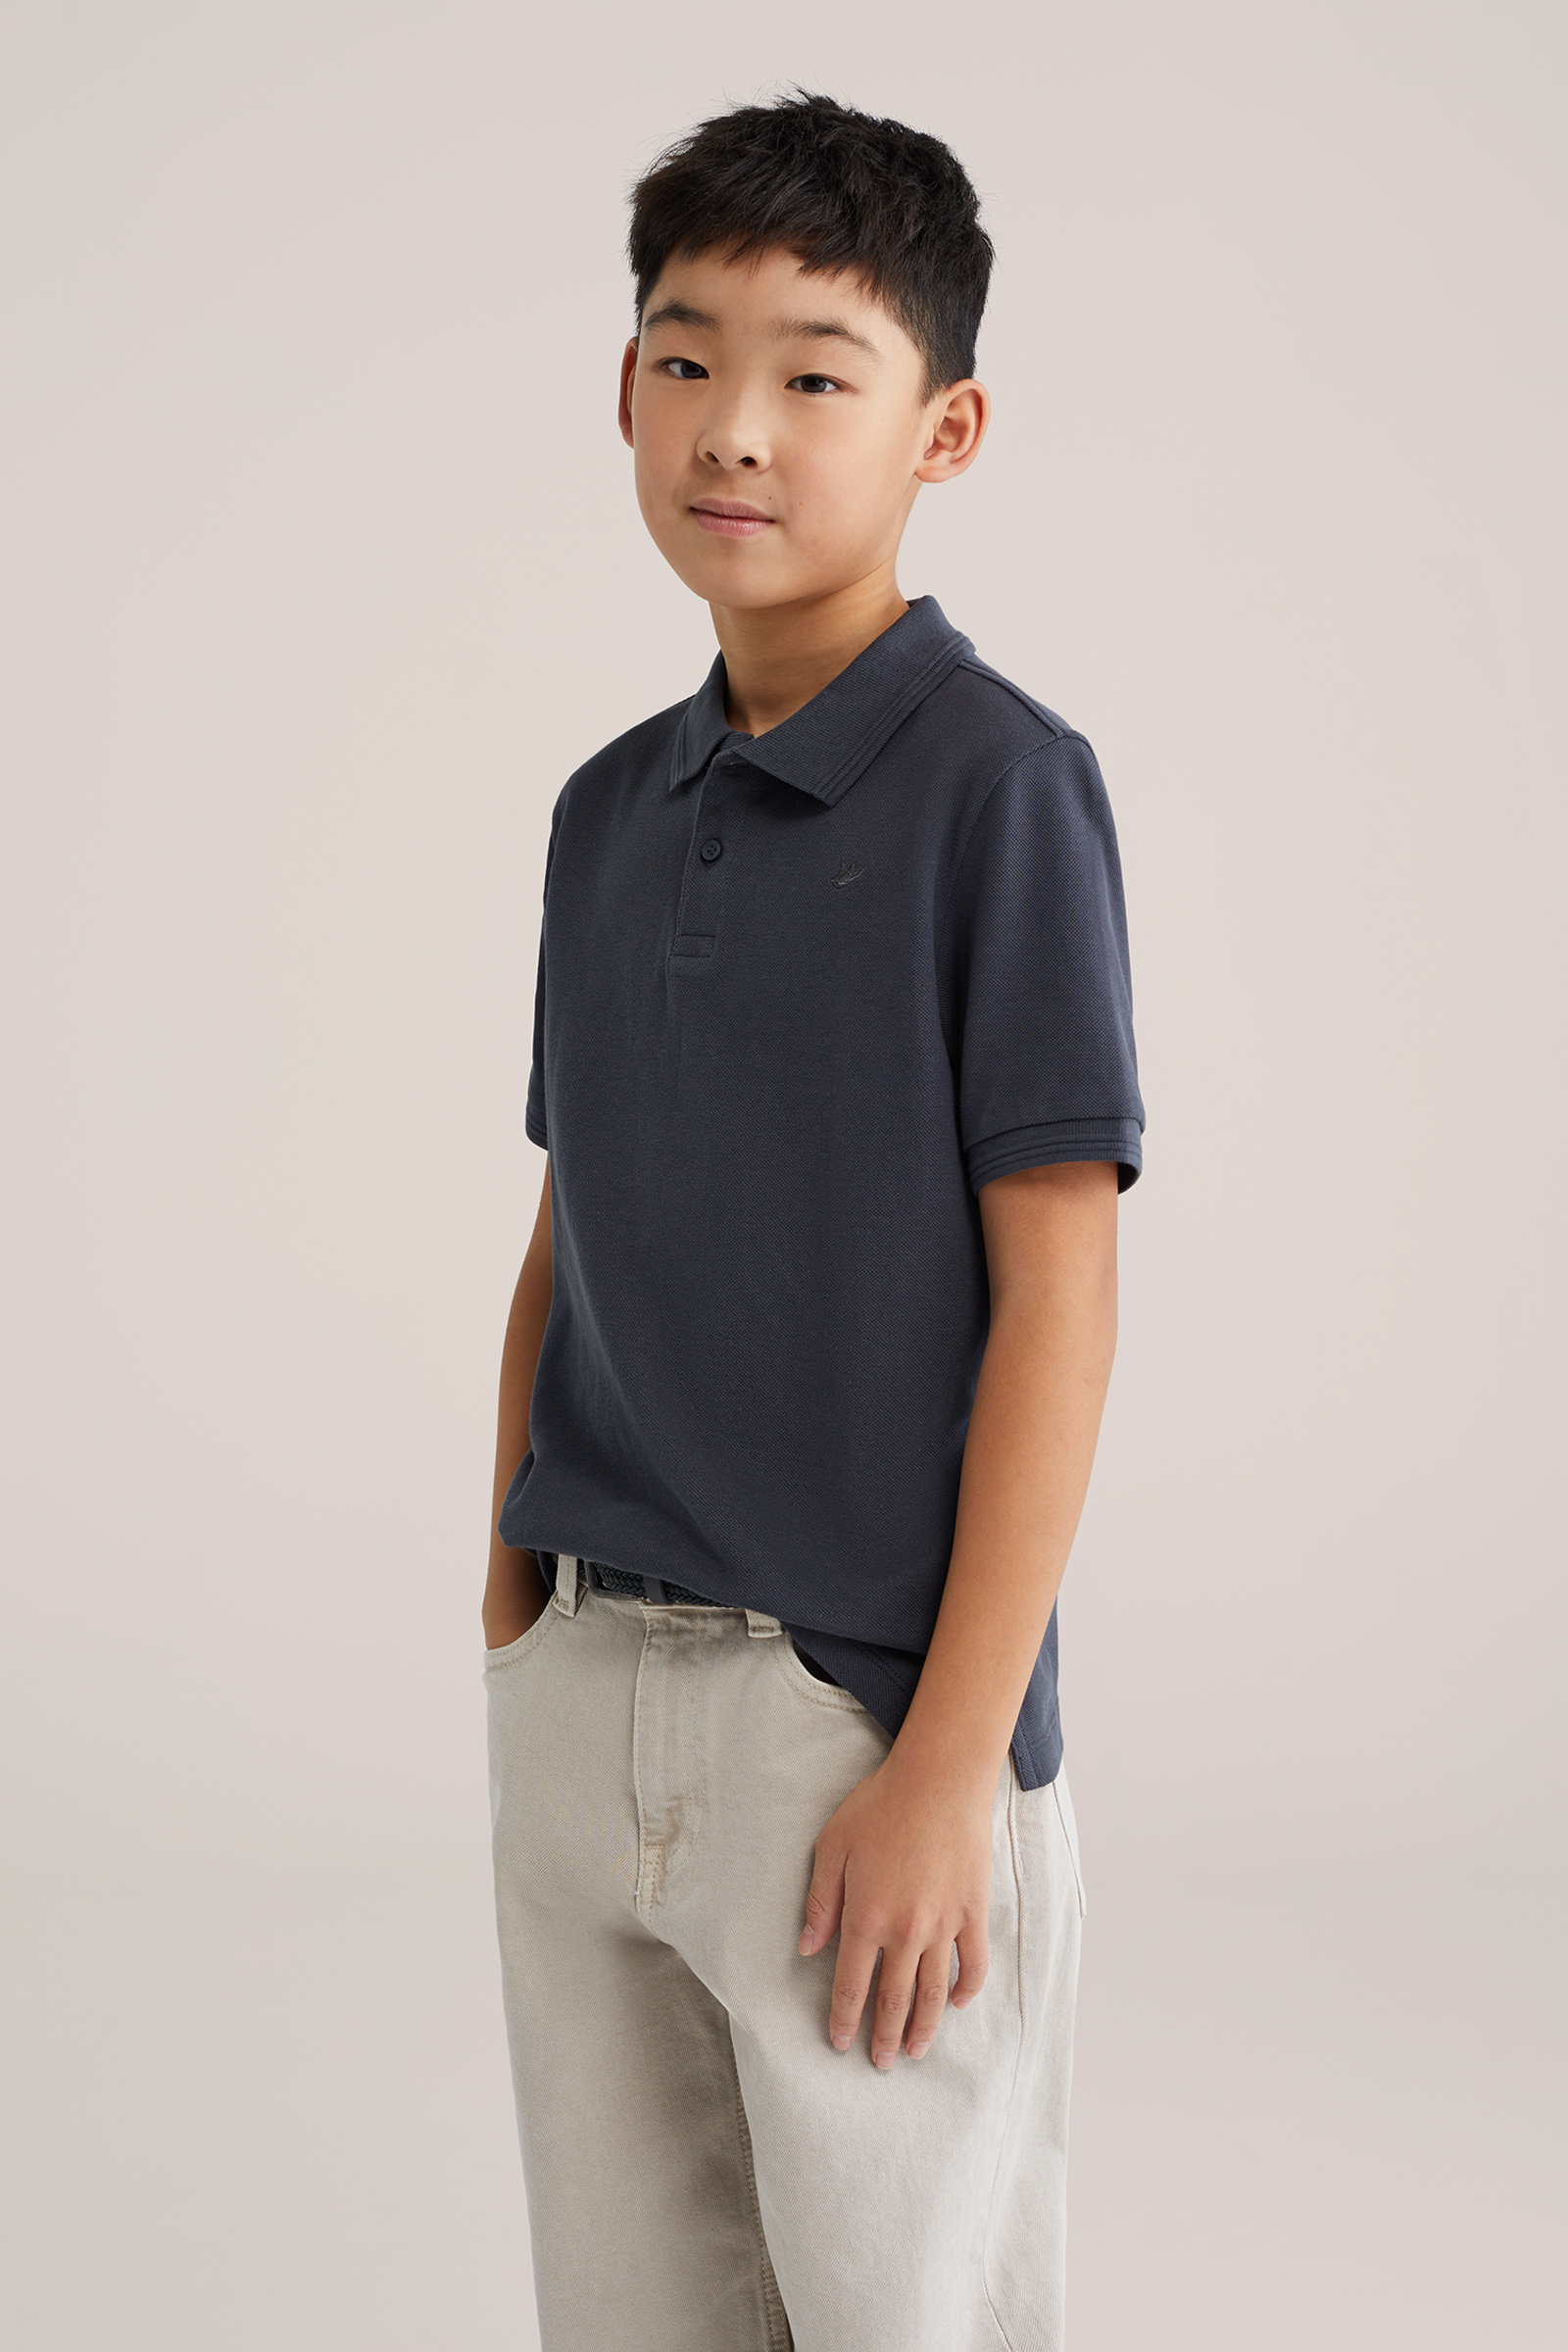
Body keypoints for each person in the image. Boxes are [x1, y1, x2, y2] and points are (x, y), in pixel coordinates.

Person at [480, 90, 1144, 2352]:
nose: (733, 428)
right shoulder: (601, 810)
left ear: (943, 428)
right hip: (586, 1686)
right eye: (684, 359)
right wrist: (509, 1601)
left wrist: (947, 1759)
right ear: (623, 390)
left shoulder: (999, 788)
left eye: (812, 374)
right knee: (629, 2316)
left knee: (899, 2317)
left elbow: (1058, 1296)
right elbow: (571, 1223)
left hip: (849, 1718)